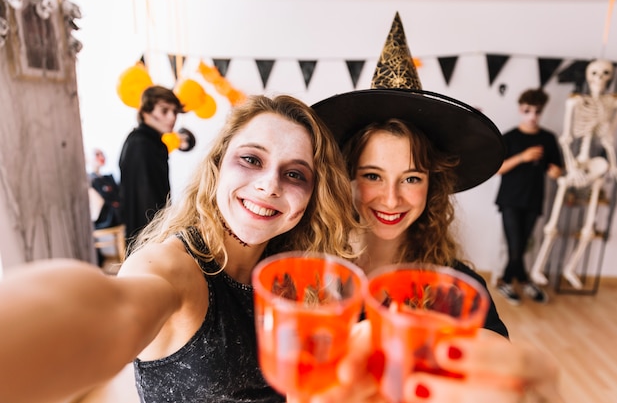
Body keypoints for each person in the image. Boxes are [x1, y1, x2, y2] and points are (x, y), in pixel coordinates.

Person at [0, 94, 358, 403]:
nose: (269, 185)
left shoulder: (294, 274)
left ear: (312, 196)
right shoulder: (173, 270)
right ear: (217, 166)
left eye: (295, 174)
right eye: (251, 159)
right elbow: (108, 309)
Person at [310, 12, 563, 403]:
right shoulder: (305, 277)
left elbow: (492, 362)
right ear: (345, 178)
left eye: (411, 178)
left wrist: (518, 384)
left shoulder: (457, 289)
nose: (391, 199)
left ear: (433, 187)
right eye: (372, 176)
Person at [494, 88, 563, 305]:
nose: (532, 116)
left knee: (522, 245)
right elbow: (498, 169)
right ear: (520, 109)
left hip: (534, 199)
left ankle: (520, 280)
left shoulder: (548, 138)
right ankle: (508, 281)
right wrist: (523, 157)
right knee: (515, 245)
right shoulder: (510, 137)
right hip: (510, 199)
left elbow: (556, 168)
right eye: (527, 110)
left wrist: (556, 172)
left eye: (537, 111)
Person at [119, 85, 183, 245]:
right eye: (164, 111)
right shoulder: (143, 144)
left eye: (175, 111)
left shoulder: (144, 141)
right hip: (148, 236)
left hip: (147, 234)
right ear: (146, 112)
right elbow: (148, 200)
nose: (172, 117)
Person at [88, 148, 122, 230]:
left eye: (102, 154)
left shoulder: (108, 178)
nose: (101, 157)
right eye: (97, 155)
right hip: (104, 219)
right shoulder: (90, 181)